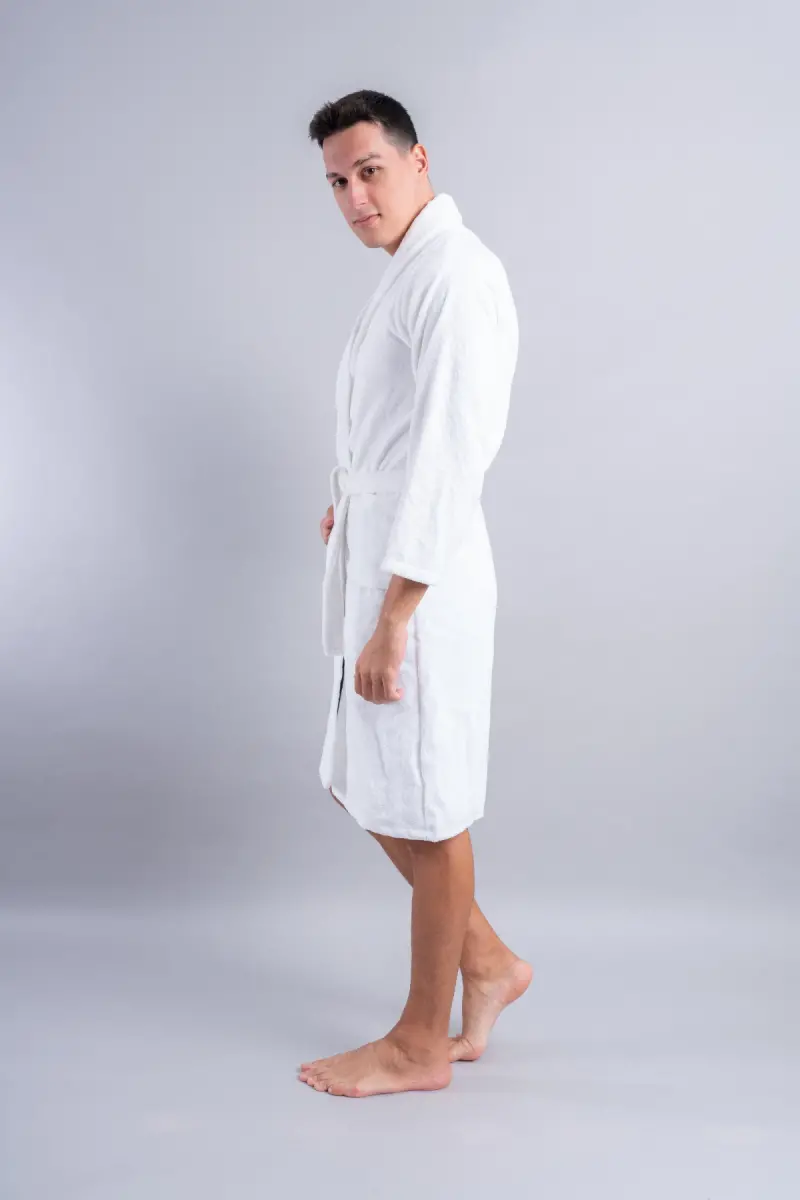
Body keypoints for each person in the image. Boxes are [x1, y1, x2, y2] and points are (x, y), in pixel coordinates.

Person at [299, 90, 531, 1099]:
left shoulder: (457, 276)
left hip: (420, 587)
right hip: (384, 557)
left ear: (418, 160)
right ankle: (488, 963)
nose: (355, 198)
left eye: (370, 171)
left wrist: (397, 614)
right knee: (364, 776)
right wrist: (353, 506)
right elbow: (398, 440)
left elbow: (448, 457)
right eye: (336, 183)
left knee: (429, 806)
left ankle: (417, 1043)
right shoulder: (408, 272)